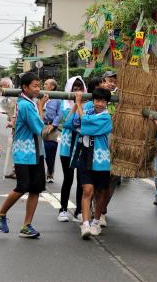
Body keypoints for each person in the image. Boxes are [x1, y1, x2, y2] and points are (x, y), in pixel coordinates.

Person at [0, 72, 47, 238]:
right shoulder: (25, 105)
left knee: (36, 189)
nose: (38, 89)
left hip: (37, 151)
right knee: (23, 187)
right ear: (25, 87)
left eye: (39, 86)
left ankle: (27, 225)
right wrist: (40, 107)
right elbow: (39, 128)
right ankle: (0, 213)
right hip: (25, 152)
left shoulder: (28, 102)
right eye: (35, 86)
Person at [70, 88, 112, 239]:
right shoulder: (87, 112)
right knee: (87, 190)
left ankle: (96, 221)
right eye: (97, 100)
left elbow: (86, 125)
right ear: (93, 101)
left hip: (101, 160)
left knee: (100, 192)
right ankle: (85, 224)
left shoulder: (106, 118)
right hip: (85, 156)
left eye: (103, 101)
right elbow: (72, 123)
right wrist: (78, 106)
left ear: (107, 103)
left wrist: (79, 105)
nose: (99, 104)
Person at [58, 76, 87, 222]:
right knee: (68, 178)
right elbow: (67, 123)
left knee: (81, 179)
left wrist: (81, 105)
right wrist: (76, 105)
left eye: (80, 89)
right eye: (74, 89)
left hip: (82, 144)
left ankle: (79, 211)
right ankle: (62, 209)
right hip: (67, 145)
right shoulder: (64, 105)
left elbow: (86, 122)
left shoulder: (88, 106)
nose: (77, 92)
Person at [42, 79, 62, 183]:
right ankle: (44, 172)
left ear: (52, 87)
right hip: (42, 125)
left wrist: (54, 125)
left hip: (52, 127)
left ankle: (50, 174)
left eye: (46, 84)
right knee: (43, 149)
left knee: (52, 150)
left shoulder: (57, 99)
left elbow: (59, 114)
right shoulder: (40, 96)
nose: (44, 85)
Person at [0, 77, 16, 179]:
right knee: (14, 149)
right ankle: (15, 169)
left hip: (19, 127)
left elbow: (17, 113)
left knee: (18, 149)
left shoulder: (16, 97)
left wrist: (12, 122)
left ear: (8, 86)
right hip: (13, 127)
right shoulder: (5, 99)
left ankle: (18, 170)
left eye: (2, 86)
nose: (1, 88)